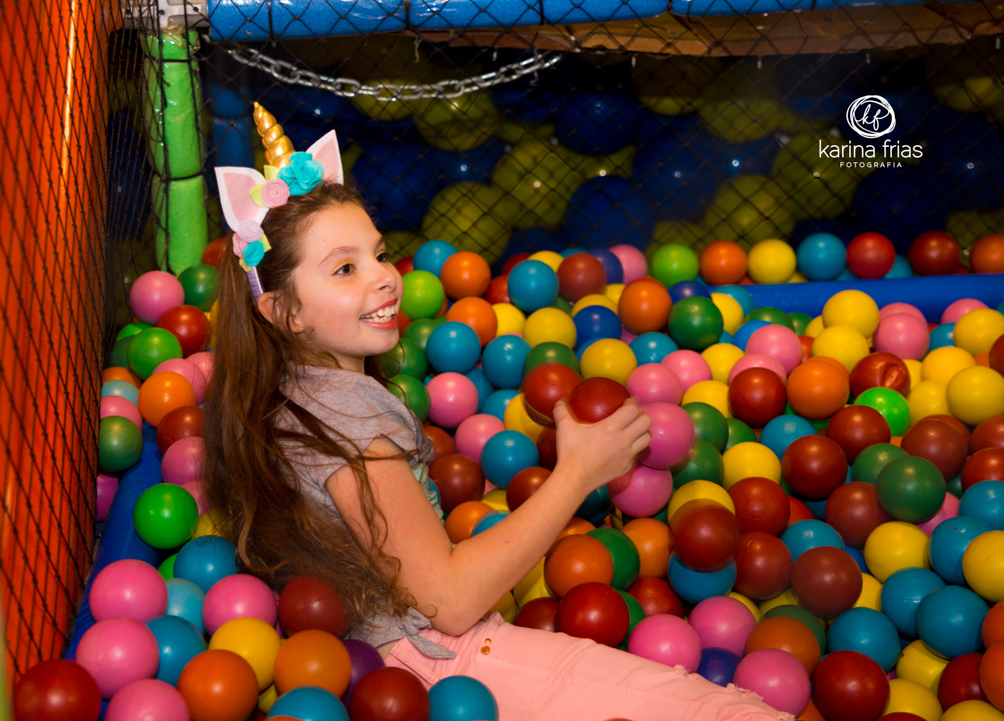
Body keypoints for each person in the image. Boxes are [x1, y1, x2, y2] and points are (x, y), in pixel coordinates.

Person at [202, 105, 793, 721]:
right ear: (285, 314)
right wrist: (577, 474)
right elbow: (451, 603)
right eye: (345, 269)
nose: (384, 279)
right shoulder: (348, 419)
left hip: (366, 676)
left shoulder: (278, 398)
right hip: (445, 667)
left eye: (380, 254)